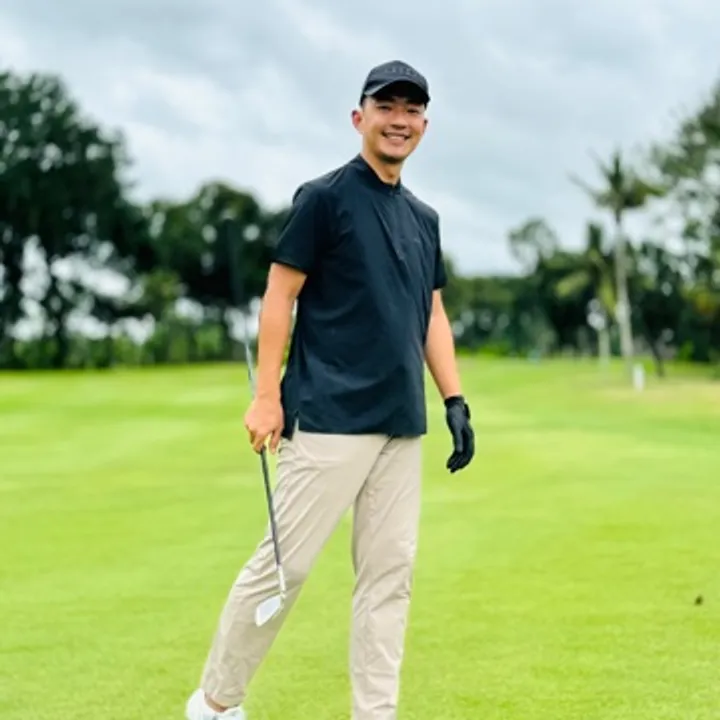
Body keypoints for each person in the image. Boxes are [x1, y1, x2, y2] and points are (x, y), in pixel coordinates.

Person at [185, 59, 475, 720]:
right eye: (386, 107)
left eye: (411, 110)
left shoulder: (424, 218)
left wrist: (454, 400)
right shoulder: (324, 199)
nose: (399, 120)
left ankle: (375, 714)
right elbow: (279, 295)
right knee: (283, 569)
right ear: (359, 117)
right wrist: (266, 396)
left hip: (401, 423)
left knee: (389, 580)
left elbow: (430, 312)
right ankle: (216, 703)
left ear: (424, 125)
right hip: (328, 418)